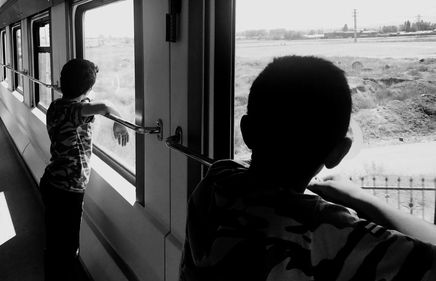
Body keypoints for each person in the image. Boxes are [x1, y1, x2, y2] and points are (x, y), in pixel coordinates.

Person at [179, 55, 436, 281]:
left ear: (246, 132)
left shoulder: (216, 181)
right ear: (339, 153)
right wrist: (359, 197)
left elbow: (250, 170)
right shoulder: (328, 231)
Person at [39, 58, 129, 280]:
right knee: (68, 249)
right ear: (88, 87)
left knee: (54, 240)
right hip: (67, 191)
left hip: (51, 183)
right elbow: (105, 106)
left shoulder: (56, 106)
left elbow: (82, 107)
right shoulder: (78, 111)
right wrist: (120, 122)